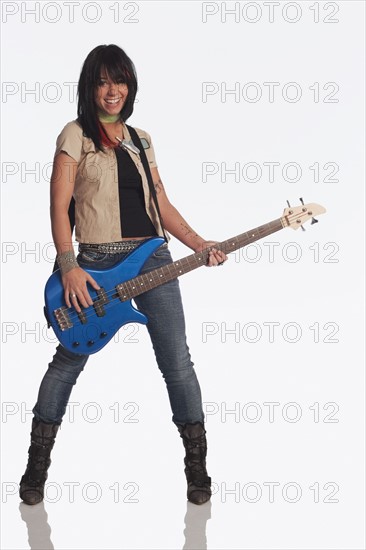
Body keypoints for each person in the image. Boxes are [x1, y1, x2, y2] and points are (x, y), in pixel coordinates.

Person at [19, 44, 227, 507]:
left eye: (120, 81)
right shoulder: (75, 135)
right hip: (92, 264)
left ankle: (197, 471)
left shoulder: (142, 138)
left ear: (130, 86)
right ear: (90, 87)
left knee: (177, 363)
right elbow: (58, 205)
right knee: (68, 360)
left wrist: (199, 244)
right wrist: (69, 265)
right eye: (102, 81)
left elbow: (162, 202)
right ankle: (36, 467)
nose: (112, 91)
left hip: (154, 260)